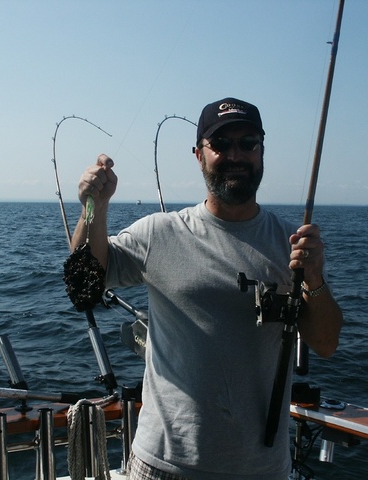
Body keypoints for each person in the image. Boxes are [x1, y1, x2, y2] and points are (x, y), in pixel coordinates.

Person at [70, 97, 343, 480]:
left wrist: (313, 279)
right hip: (164, 466)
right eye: (221, 145)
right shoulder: (160, 233)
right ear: (199, 155)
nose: (236, 154)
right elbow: (85, 282)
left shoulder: (292, 244)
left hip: (263, 470)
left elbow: (326, 343)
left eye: (248, 143)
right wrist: (92, 207)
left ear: (262, 152)